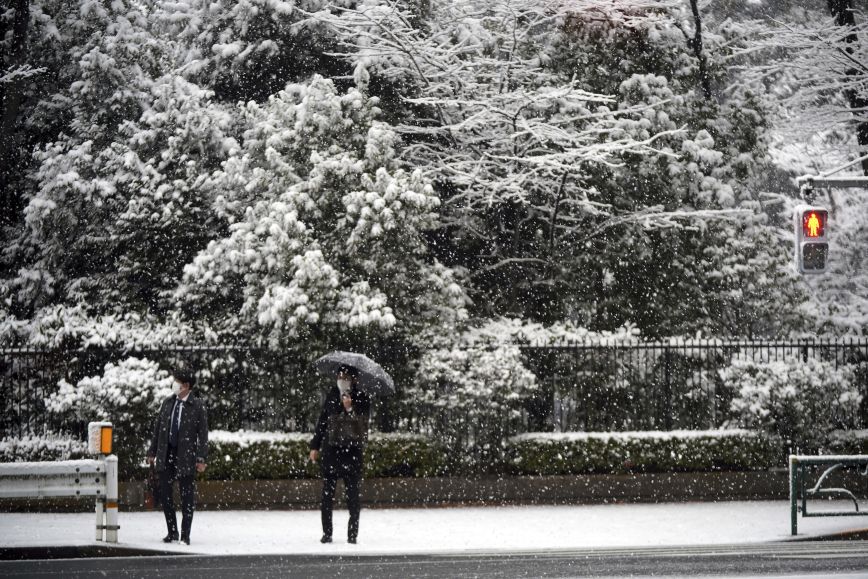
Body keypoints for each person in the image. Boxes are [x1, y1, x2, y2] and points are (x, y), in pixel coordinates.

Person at [309, 366, 371, 544]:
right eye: (339, 376)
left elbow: (363, 427)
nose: (341, 379)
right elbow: (323, 421)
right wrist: (315, 445)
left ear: (354, 379)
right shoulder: (332, 394)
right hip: (332, 451)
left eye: (345, 376)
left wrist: (350, 408)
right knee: (327, 495)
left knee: (353, 496)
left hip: (352, 453)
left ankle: (352, 535)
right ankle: (327, 533)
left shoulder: (362, 397)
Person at [148, 366, 208, 545]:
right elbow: (158, 428)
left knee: (186, 496)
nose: (175, 385)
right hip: (166, 453)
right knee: (166, 495)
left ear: (186, 386)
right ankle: (172, 532)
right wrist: (152, 451)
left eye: (178, 382)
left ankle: (185, 535)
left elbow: (203, 435)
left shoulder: (197, 406)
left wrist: (201, 458)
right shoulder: (168, 402)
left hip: (186, 455)